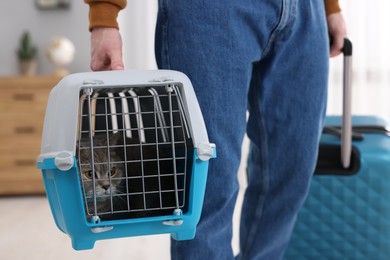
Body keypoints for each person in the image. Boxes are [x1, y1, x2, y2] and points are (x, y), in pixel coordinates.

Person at [84, 0, 347, 259]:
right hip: (209, 11)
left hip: (305, 11)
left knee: (292, 169)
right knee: (208, 183)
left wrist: (331, 7)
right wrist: (104, 15)